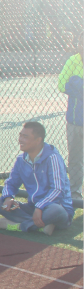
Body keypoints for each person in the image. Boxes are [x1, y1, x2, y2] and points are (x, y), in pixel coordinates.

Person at [0, 121, 74, 236]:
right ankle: (41, 225)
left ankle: (20, 226)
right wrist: (8, 197)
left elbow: (57, 190)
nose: (20, 140)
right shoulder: (21, 159)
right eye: (20, 135)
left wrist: (40, 206)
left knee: (56, 211)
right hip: (33, 208)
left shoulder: (53, 158)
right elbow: (11, 183)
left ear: (38, 140)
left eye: (25, 137)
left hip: (55, 208)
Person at [57, 37, 82, 200]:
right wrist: (79, 89)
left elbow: (72, 83)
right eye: (81, 43)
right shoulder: (73, 60)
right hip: (75, 120)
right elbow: (62, 84)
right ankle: (75, 191)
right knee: (75, 157)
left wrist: (76, 82)